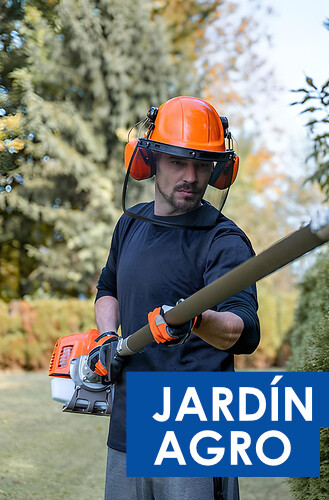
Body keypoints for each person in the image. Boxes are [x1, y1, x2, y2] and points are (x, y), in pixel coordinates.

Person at [93, 96, 260, 500]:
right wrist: (106, 337)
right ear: (149, 161)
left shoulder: (224, 240)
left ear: (218, 171)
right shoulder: (131, 223)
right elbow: (107, 289)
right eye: (178, 162)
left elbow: (243, 329)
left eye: (203, 164)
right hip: (128, 430)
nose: (192, 175)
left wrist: (197, 320)